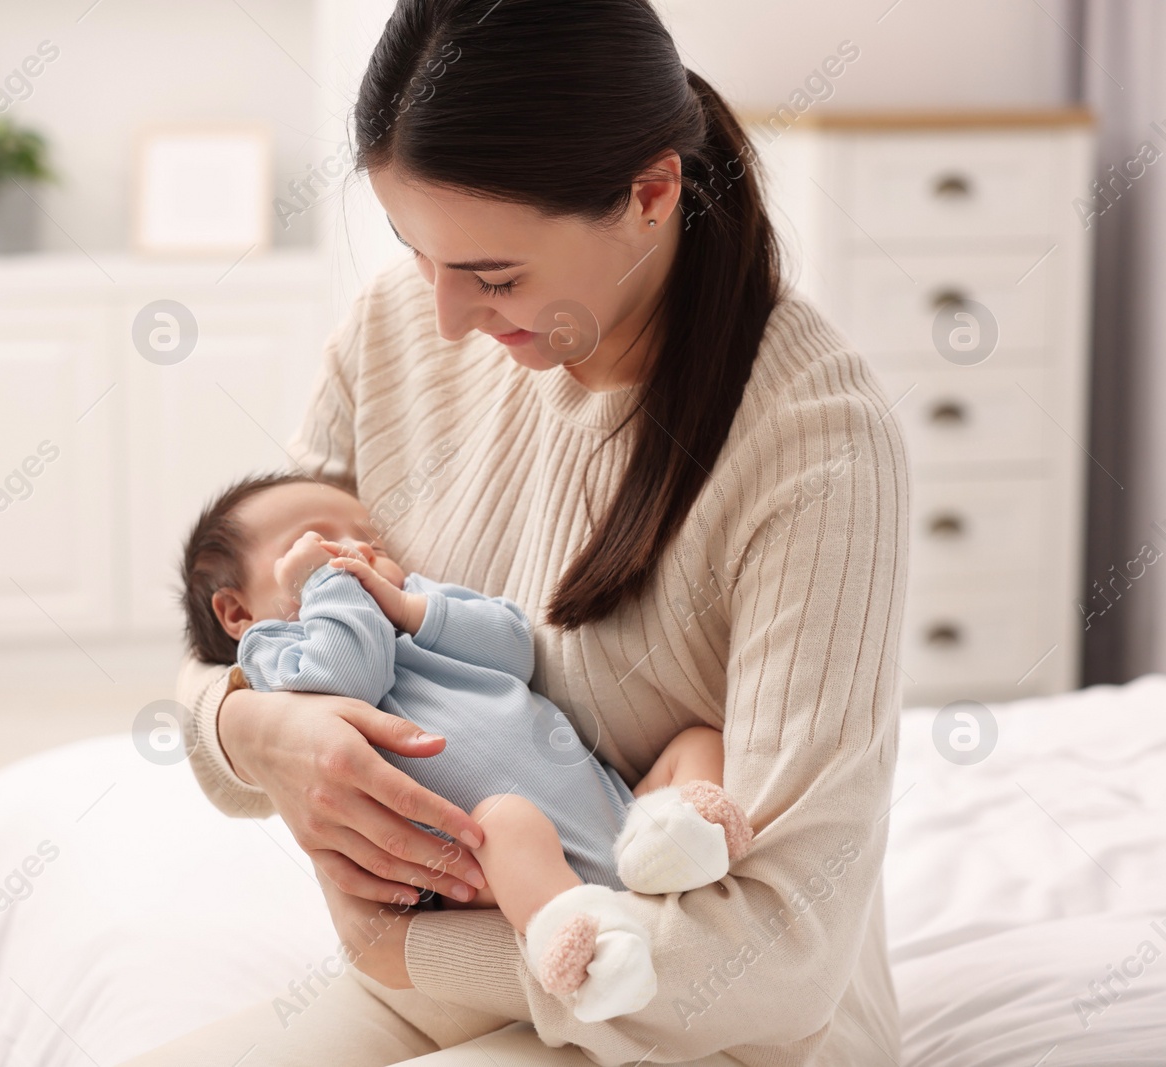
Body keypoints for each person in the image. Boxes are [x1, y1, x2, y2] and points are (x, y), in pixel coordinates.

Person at [130, 0, 908, 1062]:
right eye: (416, 252)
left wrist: (399, 949)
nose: (447, 318)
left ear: (650, 194)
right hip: (450, 983)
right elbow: (241, 610)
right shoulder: (400, 328)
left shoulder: (814, 447)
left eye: (494, 276)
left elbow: (782, 957)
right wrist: (247, 728)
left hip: (696, 1020)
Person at [178, 473, 756, 1022]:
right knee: (508, 822)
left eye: (367, 536)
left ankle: (672, 843)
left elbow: (515, 648)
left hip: (615, 808)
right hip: (484, 860)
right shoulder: (278, 653)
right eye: (317, 542)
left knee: (698, 743)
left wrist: (409, 608)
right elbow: (352, 676)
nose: (353, 548)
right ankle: (582, 940)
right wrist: (325, 588)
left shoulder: (419, 603)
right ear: (236, 612)